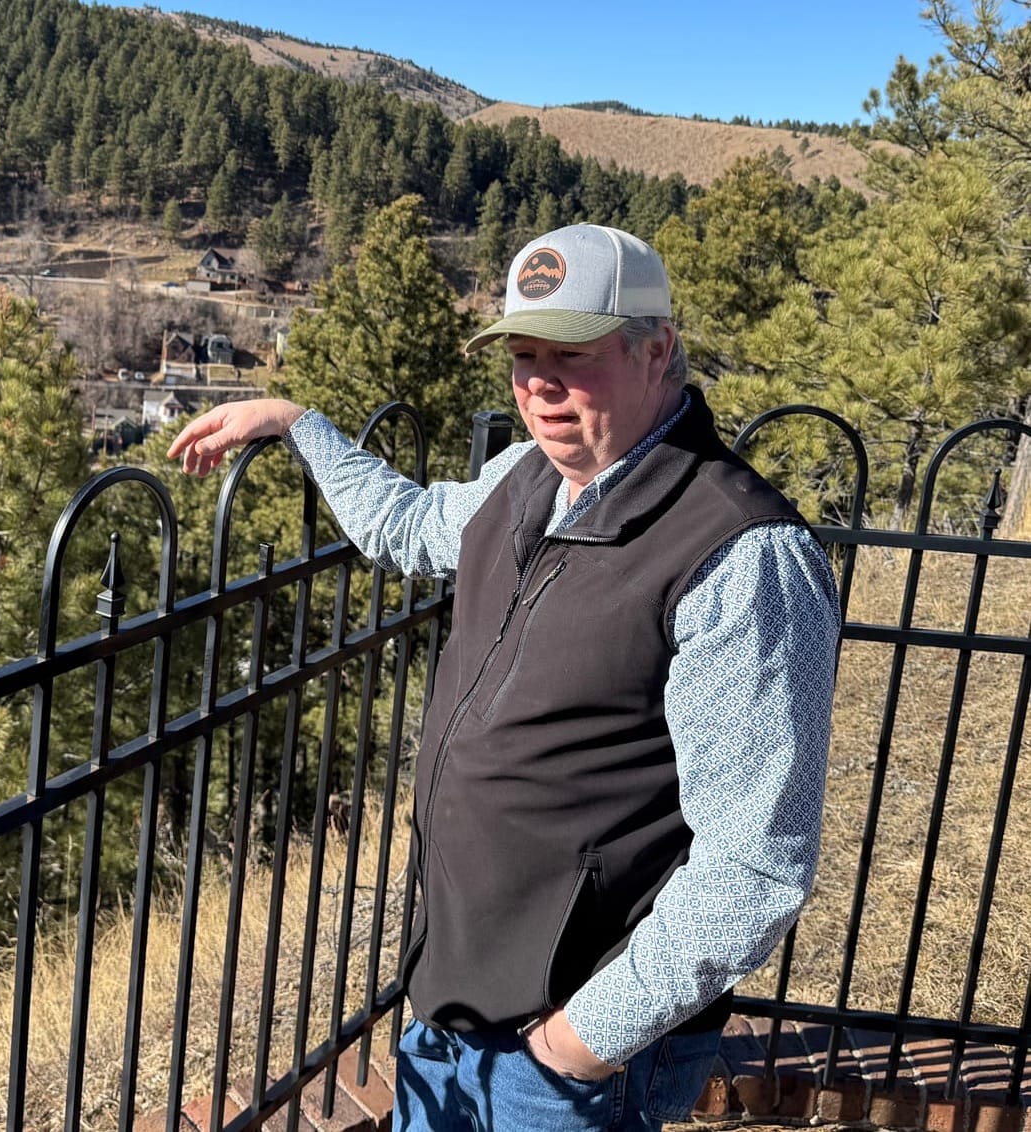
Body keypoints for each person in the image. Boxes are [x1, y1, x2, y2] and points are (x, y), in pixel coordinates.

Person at [166, 223, 839, 1131]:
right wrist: (298, 424)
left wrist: (576, 1043)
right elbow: (404, 523)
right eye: (522, 356)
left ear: (658, 349)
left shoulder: (739, 553)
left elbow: (756, 867)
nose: (538, 386)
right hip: (454, 1000)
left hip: (563, 1050)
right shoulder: (527, 478)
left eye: (571, 353)